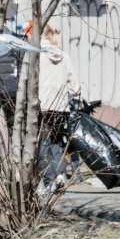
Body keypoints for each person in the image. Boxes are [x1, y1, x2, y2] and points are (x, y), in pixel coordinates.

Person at [37, 24, 81, 193]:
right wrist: (78, 104)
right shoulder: (64, 56)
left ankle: (48, 183)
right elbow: (73, 83)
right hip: (60, 106)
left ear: (41, 36)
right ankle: (60, 175)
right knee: (56, 141)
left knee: (43, 145)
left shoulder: (36, 55)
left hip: (42, 106)